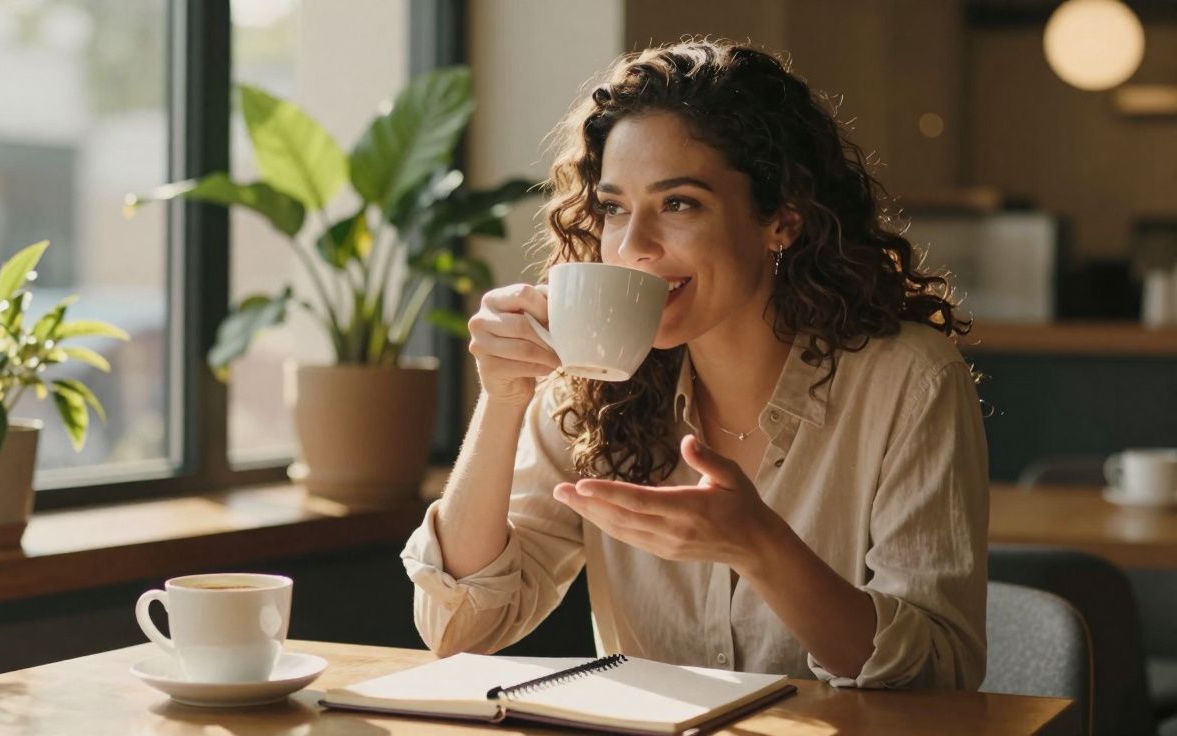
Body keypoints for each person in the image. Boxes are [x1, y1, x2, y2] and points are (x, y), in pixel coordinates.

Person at [401, 38, 988, 690]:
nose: (634, 246)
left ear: (782, 220)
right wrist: (503, 398)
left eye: (678, 203)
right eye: (615, 208)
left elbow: (940, 679)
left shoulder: (908, 381)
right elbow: (458, 629)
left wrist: (761, 547)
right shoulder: (591, 392)